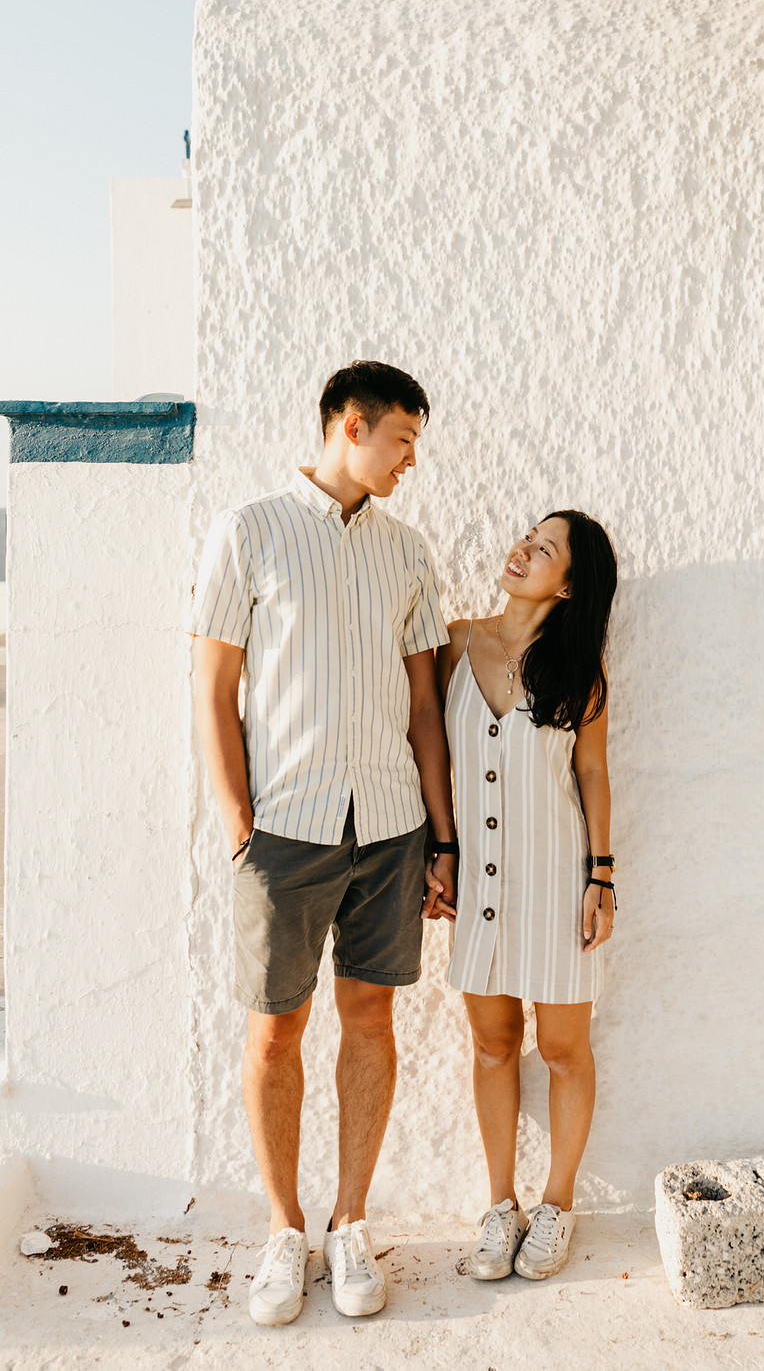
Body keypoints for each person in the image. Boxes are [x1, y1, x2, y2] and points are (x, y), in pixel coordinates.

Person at [191, 360, 459, 1328]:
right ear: (352, 424)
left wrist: (445, 838)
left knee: (373, 1024)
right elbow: (214, 691)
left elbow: (426, 704)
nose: (409, 462)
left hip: (389, 827)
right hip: (285, 832)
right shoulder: (249, 531)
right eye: (402, 442)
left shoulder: (408, 551)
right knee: (274, 1033)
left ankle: (349, 1224)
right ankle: (284, 1229)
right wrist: (236, 823)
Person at [437, 510, 618, 1283]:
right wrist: (432, 852)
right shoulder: (453, 641)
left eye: (544, 550)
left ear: (569, 582)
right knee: (492, 1043)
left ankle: (557, 1205)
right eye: (525, 538)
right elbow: (423, 744)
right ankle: (499, 1206)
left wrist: (602, 876)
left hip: (555, 876)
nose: (521, 550)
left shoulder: (580, 670)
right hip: (477, 880)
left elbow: (594, 775)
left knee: (563, 1049)